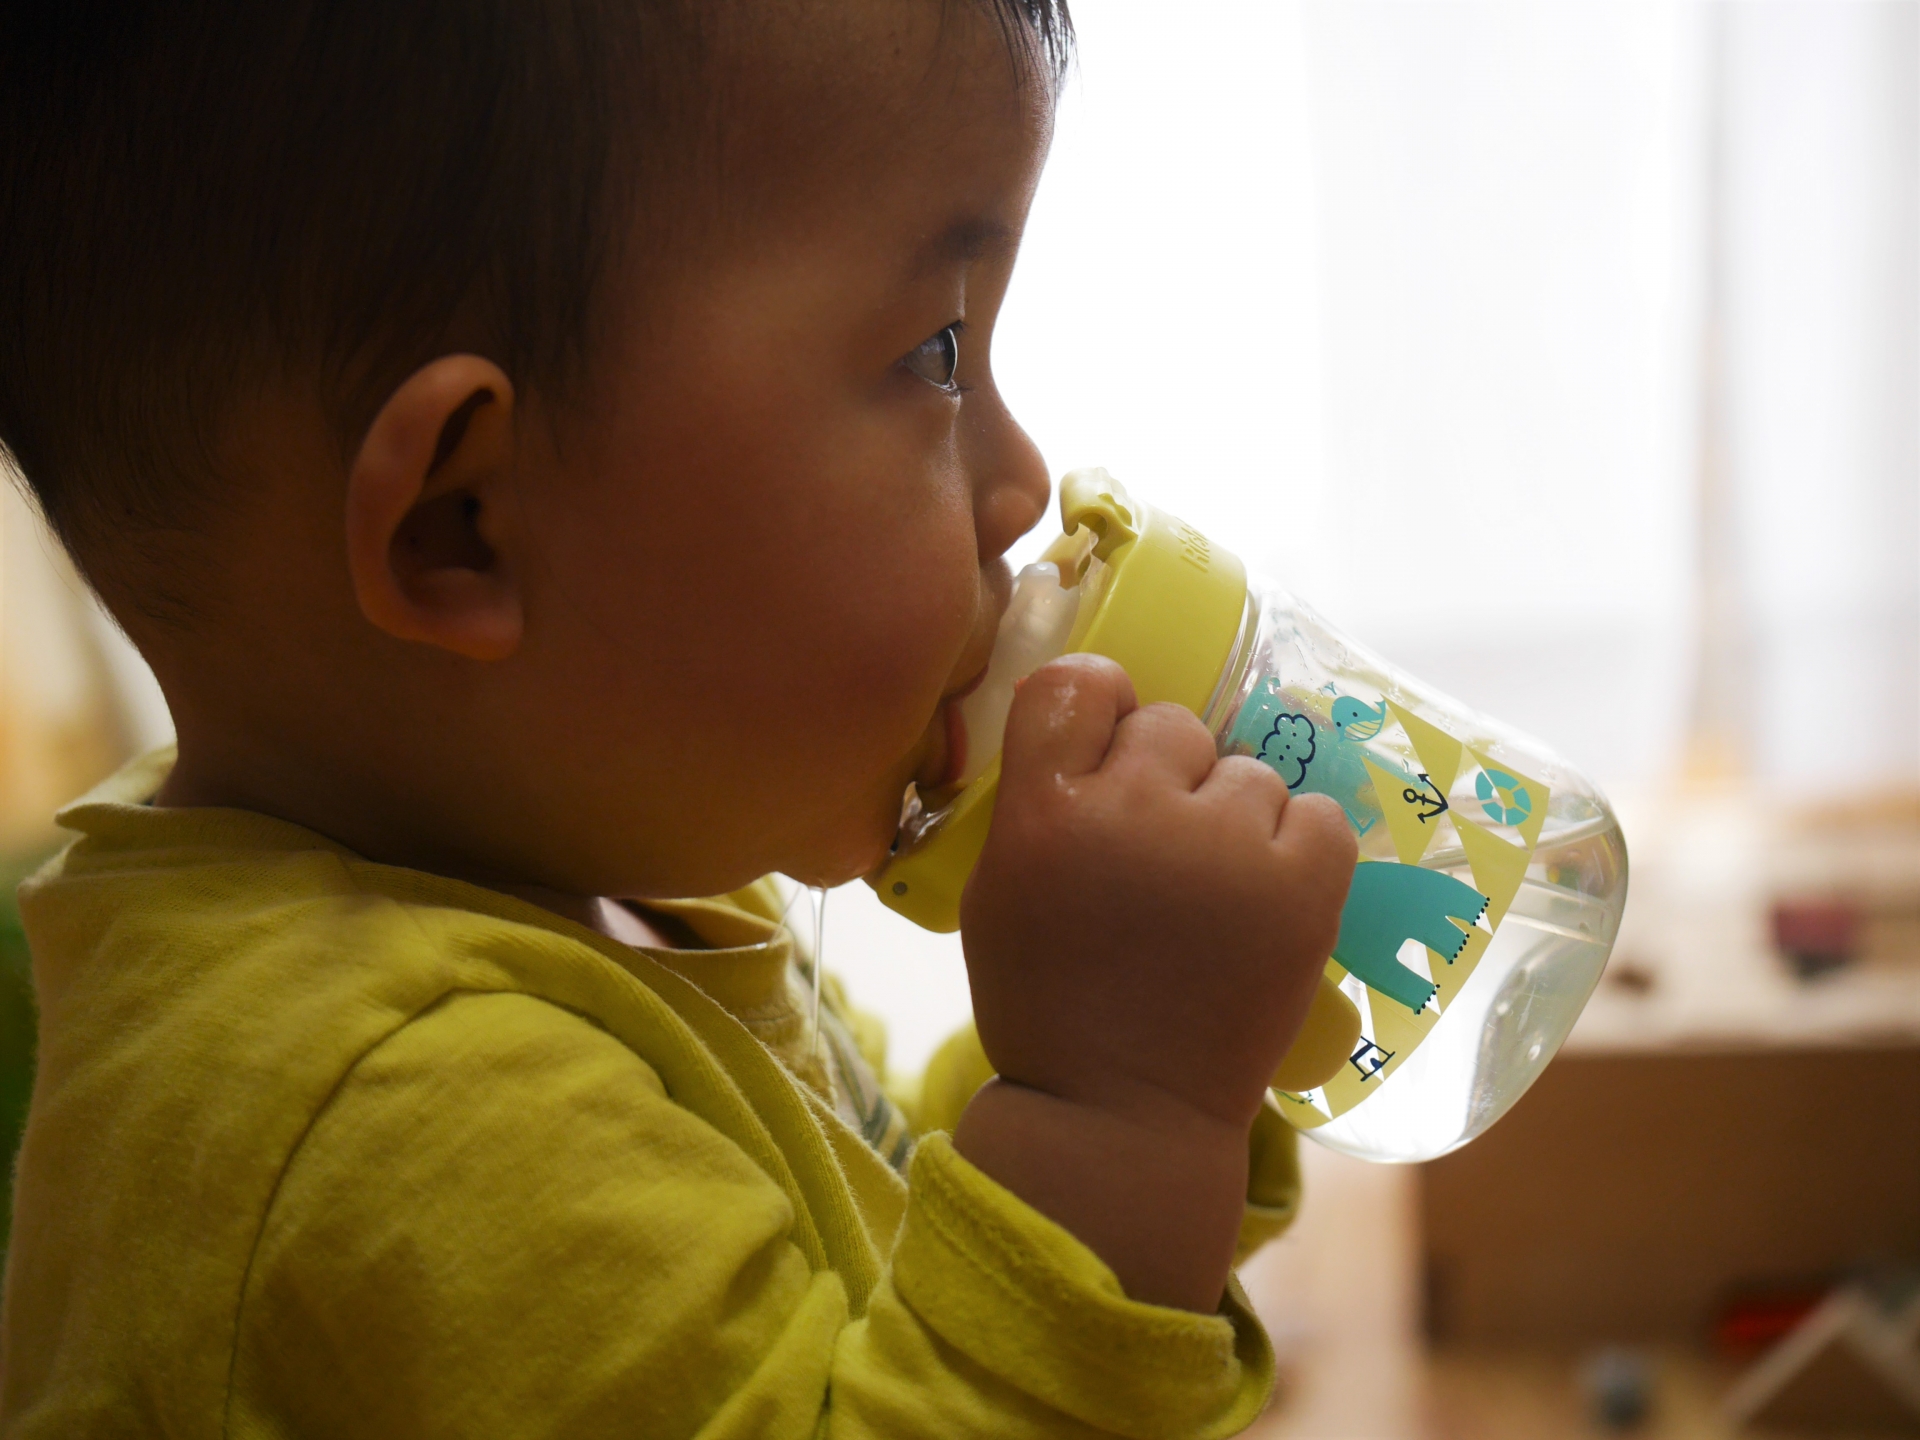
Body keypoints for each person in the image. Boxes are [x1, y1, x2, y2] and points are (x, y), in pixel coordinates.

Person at [0, 1, 1357, 1434]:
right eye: (935, 357)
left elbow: (872, 1238)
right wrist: (1123, 1115)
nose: (1021, 482)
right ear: (463, 529)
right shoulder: (404, 1118)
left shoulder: (589, 905)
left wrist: (1141, 1035)